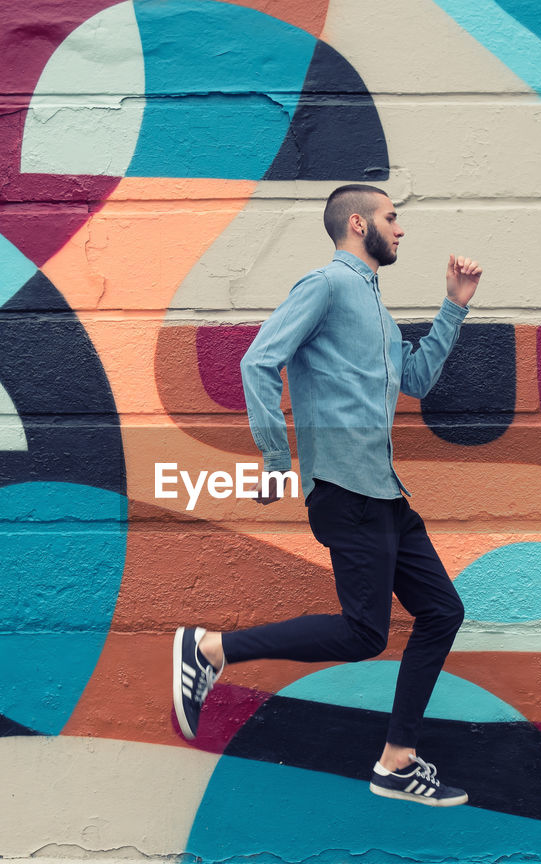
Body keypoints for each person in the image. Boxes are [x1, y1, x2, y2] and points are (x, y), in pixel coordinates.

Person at [172, 184, 482, 807]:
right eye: (393, 219)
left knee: (443, 612)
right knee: (363, 633)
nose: (401, 230)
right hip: (344, 490)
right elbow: (259, 361)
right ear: (359, 223)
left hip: (386, 494)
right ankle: (209, 649)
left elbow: (416, 380)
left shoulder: (378, 311)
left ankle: (397, 761)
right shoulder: (326, 285)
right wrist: (275, 458)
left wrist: (453, 308)